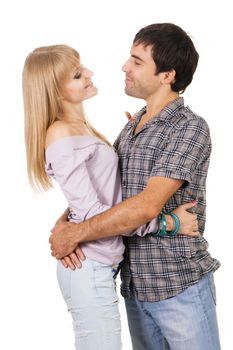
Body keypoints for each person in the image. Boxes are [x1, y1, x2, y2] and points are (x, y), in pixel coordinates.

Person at [49, 23, 221, 350]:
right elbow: (104, 191)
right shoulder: (131, 128)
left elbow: (144, 207)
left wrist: (76, 232)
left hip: (178, 285)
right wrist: (64, 222)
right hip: (136, 288)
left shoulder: (189, 128)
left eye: (137, 61)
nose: (125, 67)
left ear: (167, 75)